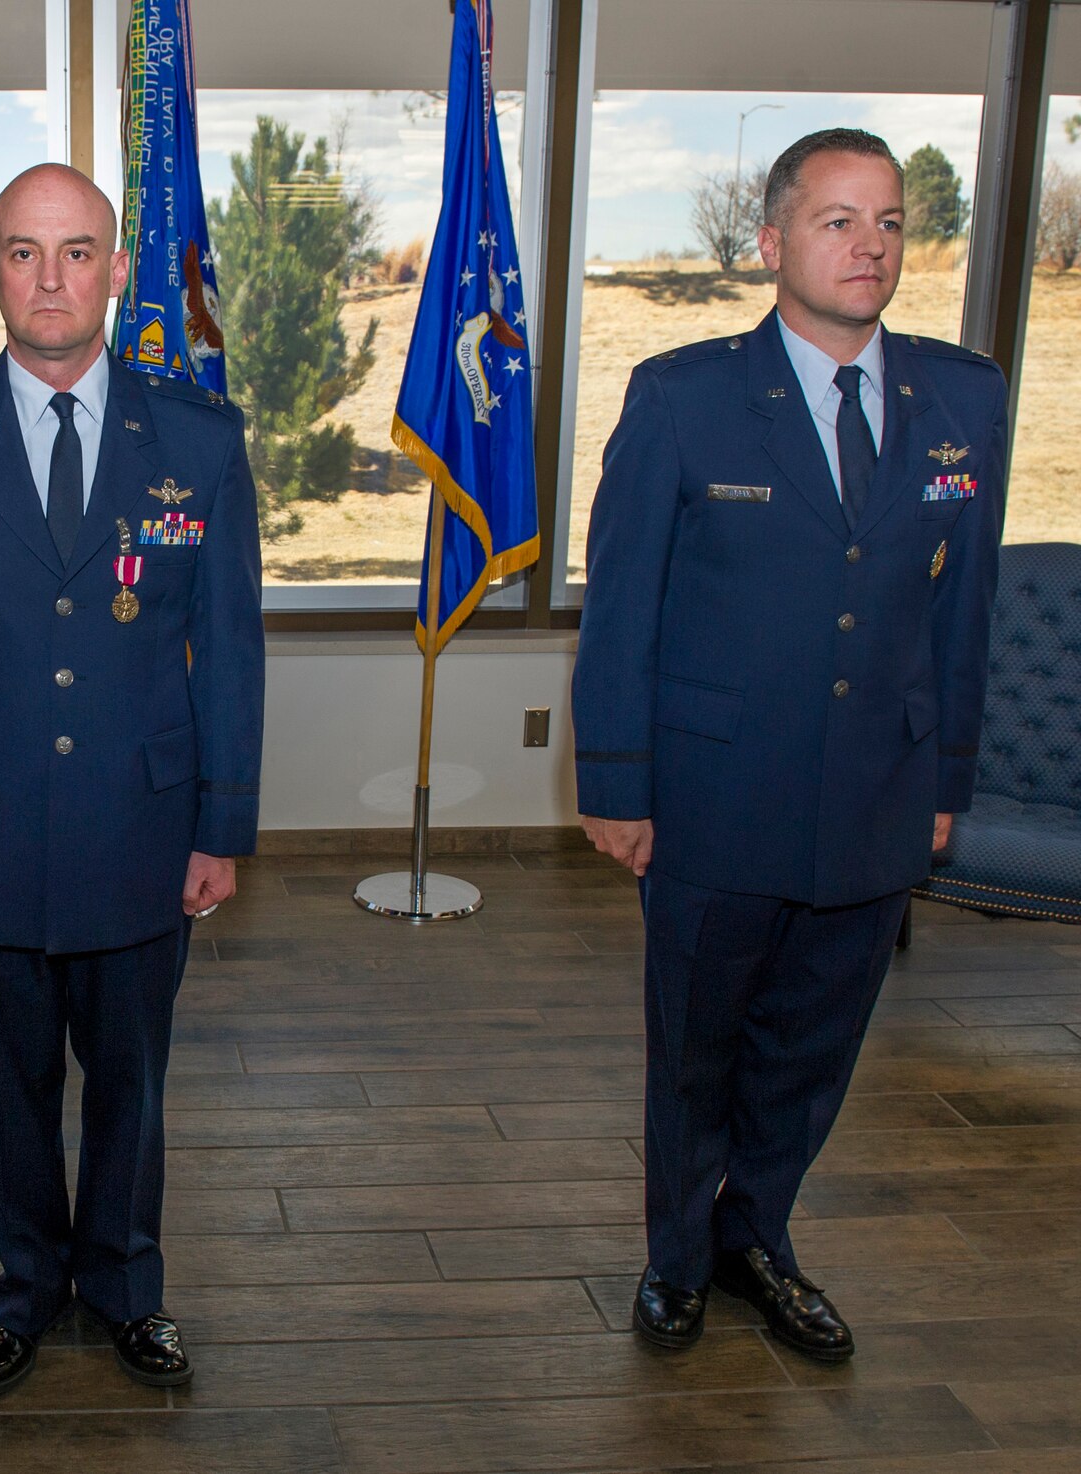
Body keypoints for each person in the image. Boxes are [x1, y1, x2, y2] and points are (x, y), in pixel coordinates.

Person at [572, 128, 1006, 1362]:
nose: (866, 244)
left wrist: (947, 780)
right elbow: (621, 613)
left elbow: (960, 608)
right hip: (711, 796)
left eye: (887, 222)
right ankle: (675, 1260)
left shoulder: (961, 395)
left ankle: (756, 1237)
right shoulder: (681, 395)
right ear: (769, 244)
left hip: (879, 791)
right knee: (695, 1051)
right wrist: (612, 783)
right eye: (834, 220)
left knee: (809, 1053)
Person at [0, 163, 264, 1396]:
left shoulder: (197, 438)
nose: (49, 278)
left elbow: (229, 652)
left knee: (132, 1082)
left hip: (143, 824)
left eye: (76, 251)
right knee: (7, 1089)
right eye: (23, 254)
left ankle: (127, 1285)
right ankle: (27, 1285)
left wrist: (222, 823)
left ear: (116, 271)